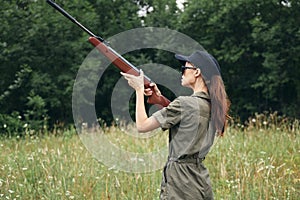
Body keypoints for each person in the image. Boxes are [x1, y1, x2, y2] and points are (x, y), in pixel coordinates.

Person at [121, 50, 230, 200]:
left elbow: (142, 125)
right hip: (199, 180)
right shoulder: (212, 106)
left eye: (184, 69)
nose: (182, 73)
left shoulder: (185, 103)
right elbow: (185, 117)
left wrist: (139, 90)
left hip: (180, 183)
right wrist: (159, 100)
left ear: (197, 72)